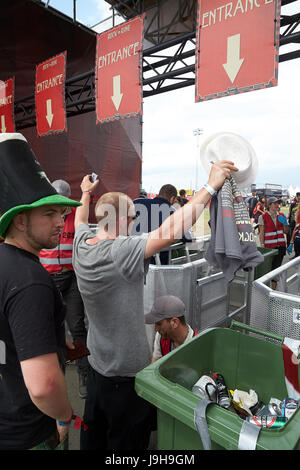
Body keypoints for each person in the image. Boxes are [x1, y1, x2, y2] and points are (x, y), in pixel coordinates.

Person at [72, 159, 237, 450]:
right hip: (125, 378)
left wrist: (85, 193)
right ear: (121, 219)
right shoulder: (119, 252)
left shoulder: (81, 242)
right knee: (126, 446)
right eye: (134, 218)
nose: (136, 224)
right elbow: (170, 229)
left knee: (93, 438)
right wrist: (211, 186)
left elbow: (79, 219)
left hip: (97, 368)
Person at [0, 133, 81, 450]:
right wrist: (64, 416)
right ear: (20, 220)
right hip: (28, 435)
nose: (60, 221)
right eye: (48, 214)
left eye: (61, 213)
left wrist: (49, 335)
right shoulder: (31, 280)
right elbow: (44, 386)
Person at [39, 179, 89, 399]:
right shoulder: (41, 217)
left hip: (71, 278)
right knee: (46, 328)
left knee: (77, 327)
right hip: (47, 279)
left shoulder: (74, 217)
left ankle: (84, 374)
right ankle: (49, 375)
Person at [132, 184, 191, 264]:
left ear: (159, 194)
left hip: (134, 256)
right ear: (172, 198)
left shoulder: (138, 202)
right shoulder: (172, 212)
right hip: (157, 260)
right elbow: (186, 237)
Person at [145, 295, 198, 363]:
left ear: (174, 322)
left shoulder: (197, 346)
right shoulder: (161, 336)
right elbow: (153, 365)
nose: (155, 329)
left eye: (159, 324)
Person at [258, 196, 289, 289]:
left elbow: (286, 231)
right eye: (275, 203)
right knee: (268, 269)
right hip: (269, 248)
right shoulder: (262, 216)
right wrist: (262, 246)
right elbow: (261, 233)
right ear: (269, 205)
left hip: (281, 247)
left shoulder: (282, 216)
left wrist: (285, 224)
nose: (277, 205)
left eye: (278, 203)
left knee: (276, 269)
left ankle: (273, 290)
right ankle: (265, 289)